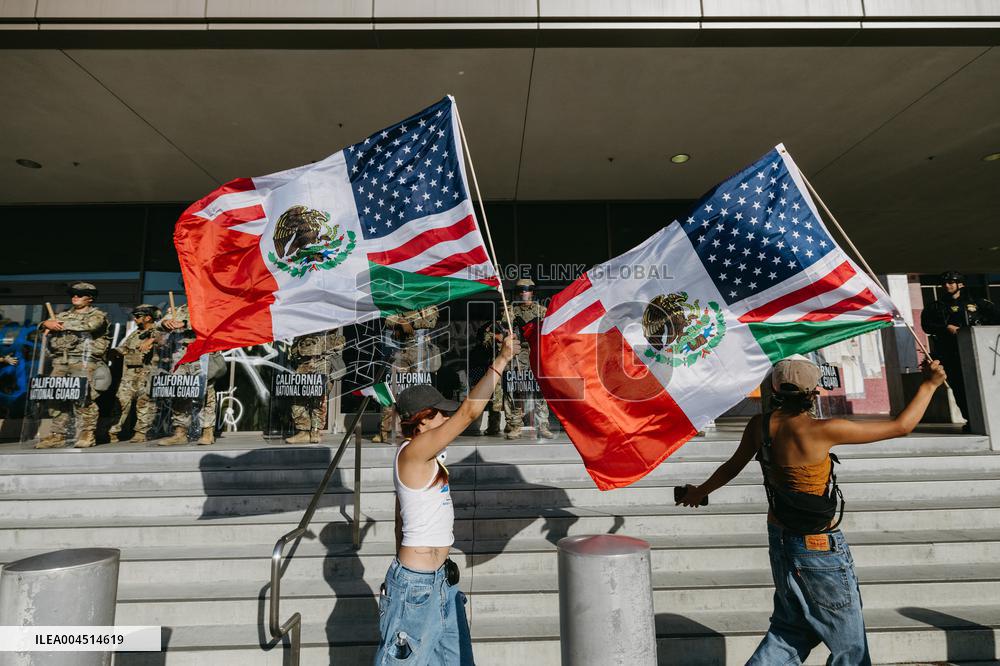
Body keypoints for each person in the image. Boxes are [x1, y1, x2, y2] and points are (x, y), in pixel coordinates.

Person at [677, 354, 947, 665]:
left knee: (791, 632)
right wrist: (929, 385)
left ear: (775, 389)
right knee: (850, 646)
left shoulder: (759, 426)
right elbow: (902, 426)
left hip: (781, 539)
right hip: (818, 546)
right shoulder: (824, 430)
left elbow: (731, 467)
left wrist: (699, 492)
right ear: (813, 391)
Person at [374, 334, 518, 665]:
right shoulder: (413, 452)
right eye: (441, 415)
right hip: (417, 586)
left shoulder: (429, 458)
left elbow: (400, 518)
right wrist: (502, 359)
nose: (446, 420)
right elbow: (468, 413)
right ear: (423, 419)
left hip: (439, 581)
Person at [35, 282, 111, 449]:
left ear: (90, 298)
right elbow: (42, 328)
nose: (75, 297)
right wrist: (44, 324)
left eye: (80, 294)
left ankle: (87, 433)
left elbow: (90, 326)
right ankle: (57, 434)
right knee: (55, 396)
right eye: (73, 294)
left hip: (84, 361)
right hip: (60, 361)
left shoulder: (97, 315)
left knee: (83, 398)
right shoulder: (62, 315)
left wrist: (56, 324)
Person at [920, 271, 996, 427]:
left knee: (987, 386)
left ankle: (992, 418)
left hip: (979, 352)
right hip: (951, 353)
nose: (946, 286)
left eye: (951, 282)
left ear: (960, 284)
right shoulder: (936, 306)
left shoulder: (978, 303)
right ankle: (971, 419)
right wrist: (945, 327)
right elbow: (926, 325)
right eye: (944, 283)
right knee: (960, 388)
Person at [373, 306, 440, 443]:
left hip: (419, 353)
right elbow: (387, 321)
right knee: (392, 391)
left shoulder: (426, 305)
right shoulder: (398, 304)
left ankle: (418, 428)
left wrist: (411, 323)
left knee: (419, 392)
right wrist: (400, 321)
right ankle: (384, 430)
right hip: (399, 350)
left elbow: (431, 322)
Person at [158, 303, 218, 446]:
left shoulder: (209, 305)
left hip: (200, 355)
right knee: (179, 393)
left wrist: (184, 323)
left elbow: (211, 323)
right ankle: (180, 433)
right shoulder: (179, 309)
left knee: (205, 393)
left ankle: (207, 431)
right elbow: (159, 325)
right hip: (179, 358)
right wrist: (166, 323)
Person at [504, 279, 554, 439]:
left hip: (536, 354)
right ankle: (515, 425)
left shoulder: (541, 311)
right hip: (518, 354)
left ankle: (543, 425)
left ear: (532, 291)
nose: (523, 293)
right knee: (516, 390)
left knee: (539, 390)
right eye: (520, 290)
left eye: (526, 290)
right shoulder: (510, 311)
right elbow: (504, 330)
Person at [109, 304, 161, 443]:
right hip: (130, 374)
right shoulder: (136, 333)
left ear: (148, 317)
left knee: (144, 403)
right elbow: (126, 348)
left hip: (147, 373)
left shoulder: (158, 331)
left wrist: (152, 340)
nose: (135, 319)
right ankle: (114, 431)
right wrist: (115, 352)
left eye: (138, 316)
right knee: (121, 401)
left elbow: (163, 340)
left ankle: (141, 432)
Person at [285, 328, 346, 444]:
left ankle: (316, 431)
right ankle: (303, 431)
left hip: (323, 356)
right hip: (303, 355)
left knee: (320, 395)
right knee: (299, 393)